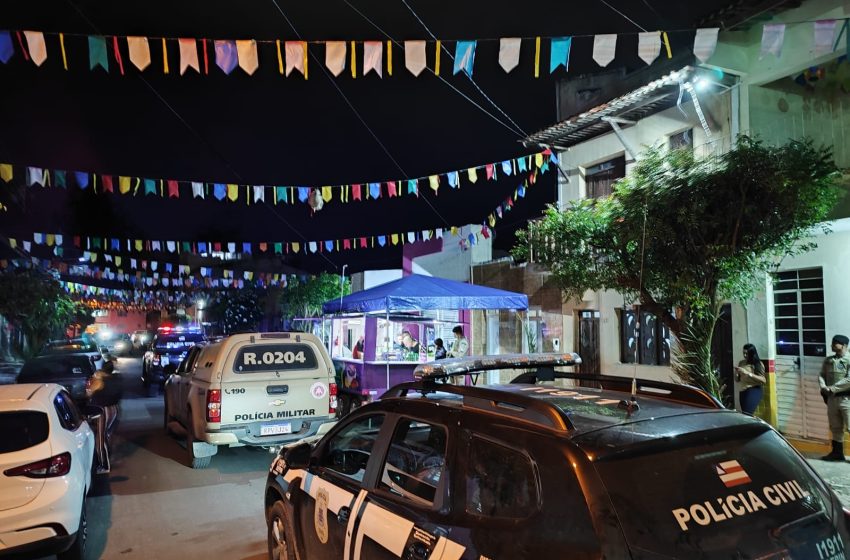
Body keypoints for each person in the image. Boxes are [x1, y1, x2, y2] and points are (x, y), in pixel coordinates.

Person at [87, 356, 123, 474]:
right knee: (106, 435)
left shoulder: (100, 380)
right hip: (115, 409)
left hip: (103, 411)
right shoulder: (116, 379)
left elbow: (89, 393)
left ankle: (104, 466)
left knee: (100, 439)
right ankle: (106, 457)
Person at [819, 334, 850, 461]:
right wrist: (823, 387)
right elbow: (821, 375)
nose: (831, 345)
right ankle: (837, 454)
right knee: (835, 427)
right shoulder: (828, 360)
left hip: (846, 399)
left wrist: (832, 388)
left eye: (834, 343)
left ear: (844, 345)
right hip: (832, 399)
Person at [735, 344, 766, 415]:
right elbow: (737, 380)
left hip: (753, 390)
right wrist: (736, 373)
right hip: (743, 390)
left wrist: (748, 373)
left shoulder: (757, 364)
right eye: (744, 353)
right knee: (744, 413)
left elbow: (763, 380)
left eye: (747, 353)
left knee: (747, 414)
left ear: (752, 353)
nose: (745, 355)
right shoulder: (741, 362)